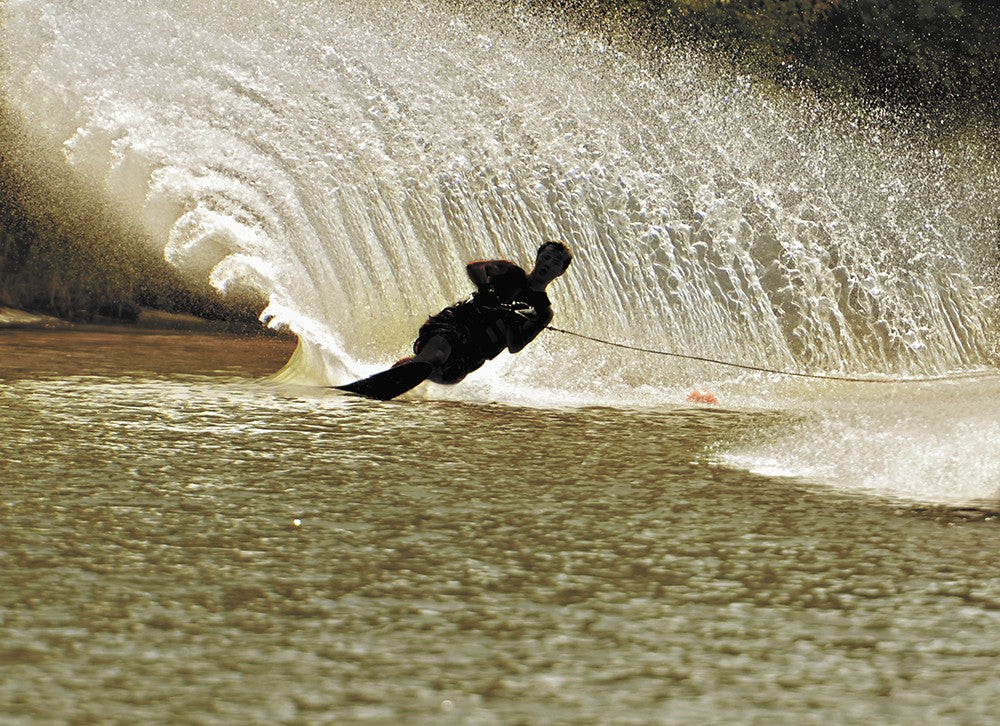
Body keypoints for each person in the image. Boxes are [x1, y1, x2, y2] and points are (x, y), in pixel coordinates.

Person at [405, 239, 573, 385]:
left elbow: (515, 346)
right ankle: (395, 378)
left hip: (475, 352)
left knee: (437, 373)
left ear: (561, 271)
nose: (548, 264)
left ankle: (397, 377)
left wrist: (512, 322)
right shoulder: (510, 271)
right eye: (545, 257)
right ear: (537, 258)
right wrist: (486, 290)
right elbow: (474, 268)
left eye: (556, 262)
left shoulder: (543, 311)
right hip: (457, 325)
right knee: (437, 354)